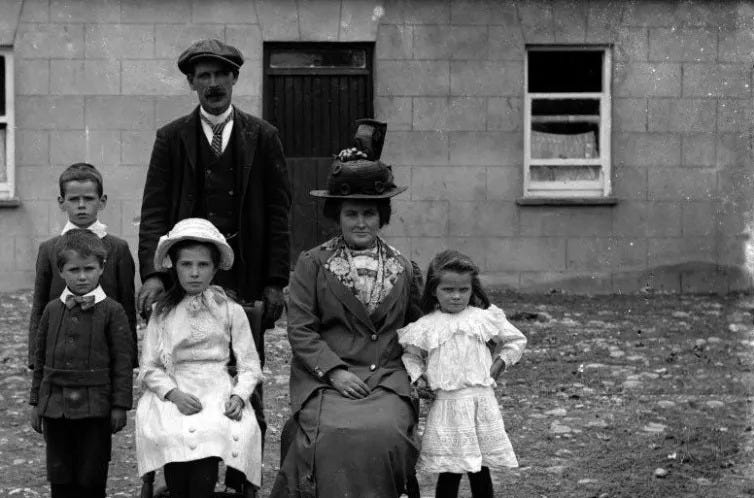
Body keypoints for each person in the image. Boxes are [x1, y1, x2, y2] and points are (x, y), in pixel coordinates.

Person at [137, 38, 291, 491]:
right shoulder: (171, 138)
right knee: (178, 369)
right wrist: (153, 273)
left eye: (220, 74)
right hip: (183, 276)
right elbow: (154, 211)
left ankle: (241, 480)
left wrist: (275, 281)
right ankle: (181, 470)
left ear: (234, 79)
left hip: (244, 276)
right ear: (191, 83)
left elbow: (279, 213)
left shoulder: (263, 137)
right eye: (203, 76)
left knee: (246, 378)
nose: (212, 84)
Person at [271, 125, 424, 498]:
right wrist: (335, 372)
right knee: (334, 435)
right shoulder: (313, 264)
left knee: (384, 433)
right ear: (337, 215)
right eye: (351, 213)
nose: (360, 222)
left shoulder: (404, 268)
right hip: (327, 380)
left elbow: (417, 330)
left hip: (386, 379)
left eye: (369, 213)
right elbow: (302, 331)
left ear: (381, 216)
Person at [135, 218, 264, 498]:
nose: (194, 273)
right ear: (174, 266)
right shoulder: (162, 312)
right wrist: (173, 394)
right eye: (186, 264)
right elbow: (149, 367)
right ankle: (177, 488)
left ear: (215, 268)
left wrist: (239, 396)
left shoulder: (229, 310)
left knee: (212, 432)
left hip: (217, 388)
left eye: (203, 265)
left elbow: (250, 365)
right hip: (173, 389)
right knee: (171, 432)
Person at [397, 250, 527, 498]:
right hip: (447, 406)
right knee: (449, 470)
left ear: (472, 289)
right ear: (434, 289)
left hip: (480, 403)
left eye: (463, 290)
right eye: (448, 290)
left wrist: (497, 366)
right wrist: (419, 376)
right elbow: (411, 355)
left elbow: (516, 341)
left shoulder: (483, 318)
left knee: (481, 469)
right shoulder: (426, 325)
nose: (456, 296)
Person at [29, 230, 134, 498]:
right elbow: (40, 361)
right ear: (61, 270)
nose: (82, 276)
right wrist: (35, 403)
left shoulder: (113, 311)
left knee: (92, 477)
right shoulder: (52, 310)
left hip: (96, 408)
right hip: (55, 407)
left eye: (89, 269)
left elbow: (122, 363)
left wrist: (120, 405)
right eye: (74, 270)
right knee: (60, 475)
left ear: (102, 268)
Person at [28, 163, 137, 371]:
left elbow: (126, 308)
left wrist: (129, 360)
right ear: (61, 203)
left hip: (103, 350)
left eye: (88, 199)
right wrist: (35, 358)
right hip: (60, 349)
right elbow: (39, 307)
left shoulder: (118, 248)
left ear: (102, 201)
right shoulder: (49, 249)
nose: (81, 205)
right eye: (73, 199)